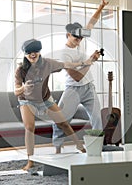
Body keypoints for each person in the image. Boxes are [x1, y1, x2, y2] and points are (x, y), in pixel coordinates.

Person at [14, 39, 96, 170]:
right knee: (29, 127)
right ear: (25, 54)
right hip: (26, 100)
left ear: (39, 52)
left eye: (35, 51)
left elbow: (66, 64)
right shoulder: (21, 70)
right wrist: (23, 88)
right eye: (29, 52)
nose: (32, 55)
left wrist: (84, 63)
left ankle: (81, 148)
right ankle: (30, 161)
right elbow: (15, 90)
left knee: (63, 123)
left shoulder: (47, 64)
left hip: (45, 99)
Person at [52, 0, 109, 153]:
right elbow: (76, 77)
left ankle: (97, 148)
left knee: (97, 119)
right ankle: (57, 149)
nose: (79, 40)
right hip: (73, 89)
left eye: (80, 37)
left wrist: (101, 6)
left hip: (89, 88)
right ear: (68, 35)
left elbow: (91, 23)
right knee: (61, 119)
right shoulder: (63, 54)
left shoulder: (80, 40)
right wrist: (90, 60)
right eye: (75, 37)